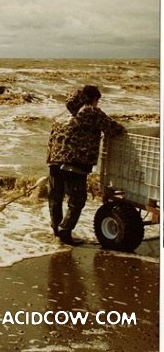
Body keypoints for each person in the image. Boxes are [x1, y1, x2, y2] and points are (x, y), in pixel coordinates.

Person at [46, 85, 126, 245]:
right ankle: (65, 231)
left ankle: (57, 230)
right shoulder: (90, 111)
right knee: (78, 200)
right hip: (74, 163)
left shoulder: (63, 114)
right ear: (94, 99)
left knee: (56, 198)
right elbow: (114, 129)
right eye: (98, 101)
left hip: (54, 162)